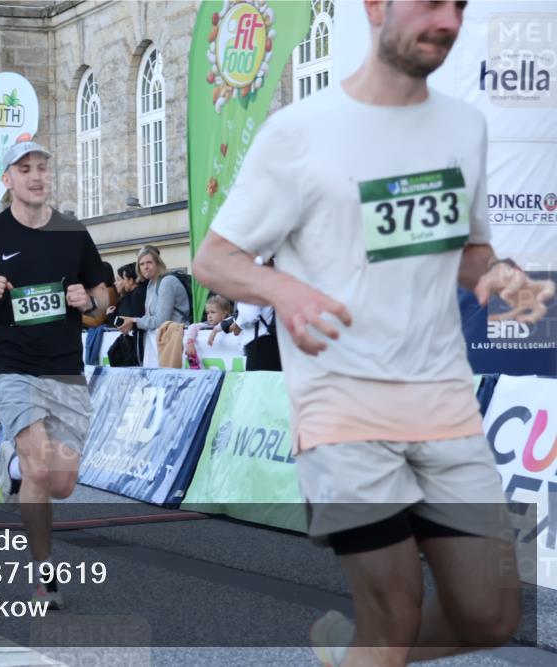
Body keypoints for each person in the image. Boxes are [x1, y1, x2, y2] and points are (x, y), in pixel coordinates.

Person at [192, 2, 555, 664]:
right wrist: (286, 289)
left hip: (444, 404)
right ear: (376, 7)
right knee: (393, 611)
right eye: (428, 4)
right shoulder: (300, 131)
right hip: (344, 406)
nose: (446, 20)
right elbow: (215, 259)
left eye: (457, 6)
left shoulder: (463, 126)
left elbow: (467, 250)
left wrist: (507, 279)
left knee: (492, 614)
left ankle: (349, 652)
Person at [0, 141, 107, 609]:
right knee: (40, 466)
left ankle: (14, 470)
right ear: (9, 180)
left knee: (60, 484)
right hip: (13, 364)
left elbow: (102, 297)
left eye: (42, 168)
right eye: (25, 169)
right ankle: (44, 576)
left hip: (65, 369)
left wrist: (89, 301)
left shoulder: (72, 233)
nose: (36, 176)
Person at [184, 295, 233, 369]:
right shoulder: (206, 325)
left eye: (213, 312)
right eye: (208, 313)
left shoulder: (233, 325)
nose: (209, 316)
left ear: (224, 314)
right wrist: (190, 342)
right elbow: (192, 327)